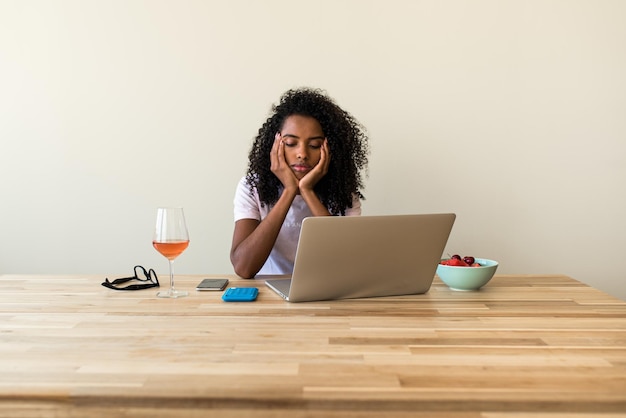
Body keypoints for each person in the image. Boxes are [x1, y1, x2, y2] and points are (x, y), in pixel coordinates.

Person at [230, 87, 370, 278]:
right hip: (269, 296)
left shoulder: (343, 193)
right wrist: (289, 191)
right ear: (276, 145)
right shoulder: (252, 187)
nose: (302, 154)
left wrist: (307, 192)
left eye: (314, 145)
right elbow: (243, 268)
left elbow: (349, 263)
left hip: (326, 292)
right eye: (290, 143)